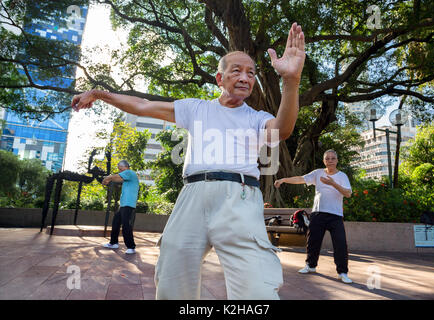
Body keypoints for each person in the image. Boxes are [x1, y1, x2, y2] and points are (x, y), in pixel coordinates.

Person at [72, 22, 306, 299]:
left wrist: (291, 81)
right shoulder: (195, 109)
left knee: (255, 287)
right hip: (192, 195)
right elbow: (143, 105)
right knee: (172, 278)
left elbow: (283, 129)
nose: (245, 77)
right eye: (237, 71)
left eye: (251, 73)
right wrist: (99, 94)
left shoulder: (257, 118)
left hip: (238, 198)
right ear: (220, 79)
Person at [274, 150, 353, 284]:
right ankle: (310, 266)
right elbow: (300, 179)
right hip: (318, 213)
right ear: (324, 161)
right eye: (327, 158)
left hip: (336, 215)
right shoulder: (317, 173)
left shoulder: (342, 176)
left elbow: (348, 193)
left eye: (333, 158)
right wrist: (283, 180)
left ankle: (342, 273)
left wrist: (333, 183)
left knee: (340, 244)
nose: (330, 161)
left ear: (337, 160)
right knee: (313, 242)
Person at [102, 160, 139, 255]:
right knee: (116, 222)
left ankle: (131, 247)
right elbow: (117, 179)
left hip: (128, 204)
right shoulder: (126, 176)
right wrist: (109, 180)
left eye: (120, 168)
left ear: (125, 166)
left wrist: (107, 178)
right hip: (123, 204)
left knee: (126, 225)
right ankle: (114, 243)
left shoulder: (130, 172)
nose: (119, 170)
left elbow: (115, 177)